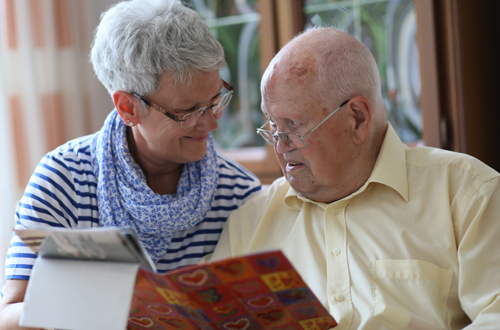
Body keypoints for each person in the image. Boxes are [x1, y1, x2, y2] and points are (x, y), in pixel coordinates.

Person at [210, 27, 500, 329]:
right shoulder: (249, 224)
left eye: (293, 125)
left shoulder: (466, 193)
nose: (280, 146)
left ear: (358, 118)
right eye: (271, 126)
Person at [0, 0, 261, 328]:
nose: (211, 125)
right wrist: (80, 303)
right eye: (188, 111)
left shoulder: (240, 194)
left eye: (215, 101)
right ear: (127, 108)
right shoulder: (62, 180)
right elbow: (9, 316)